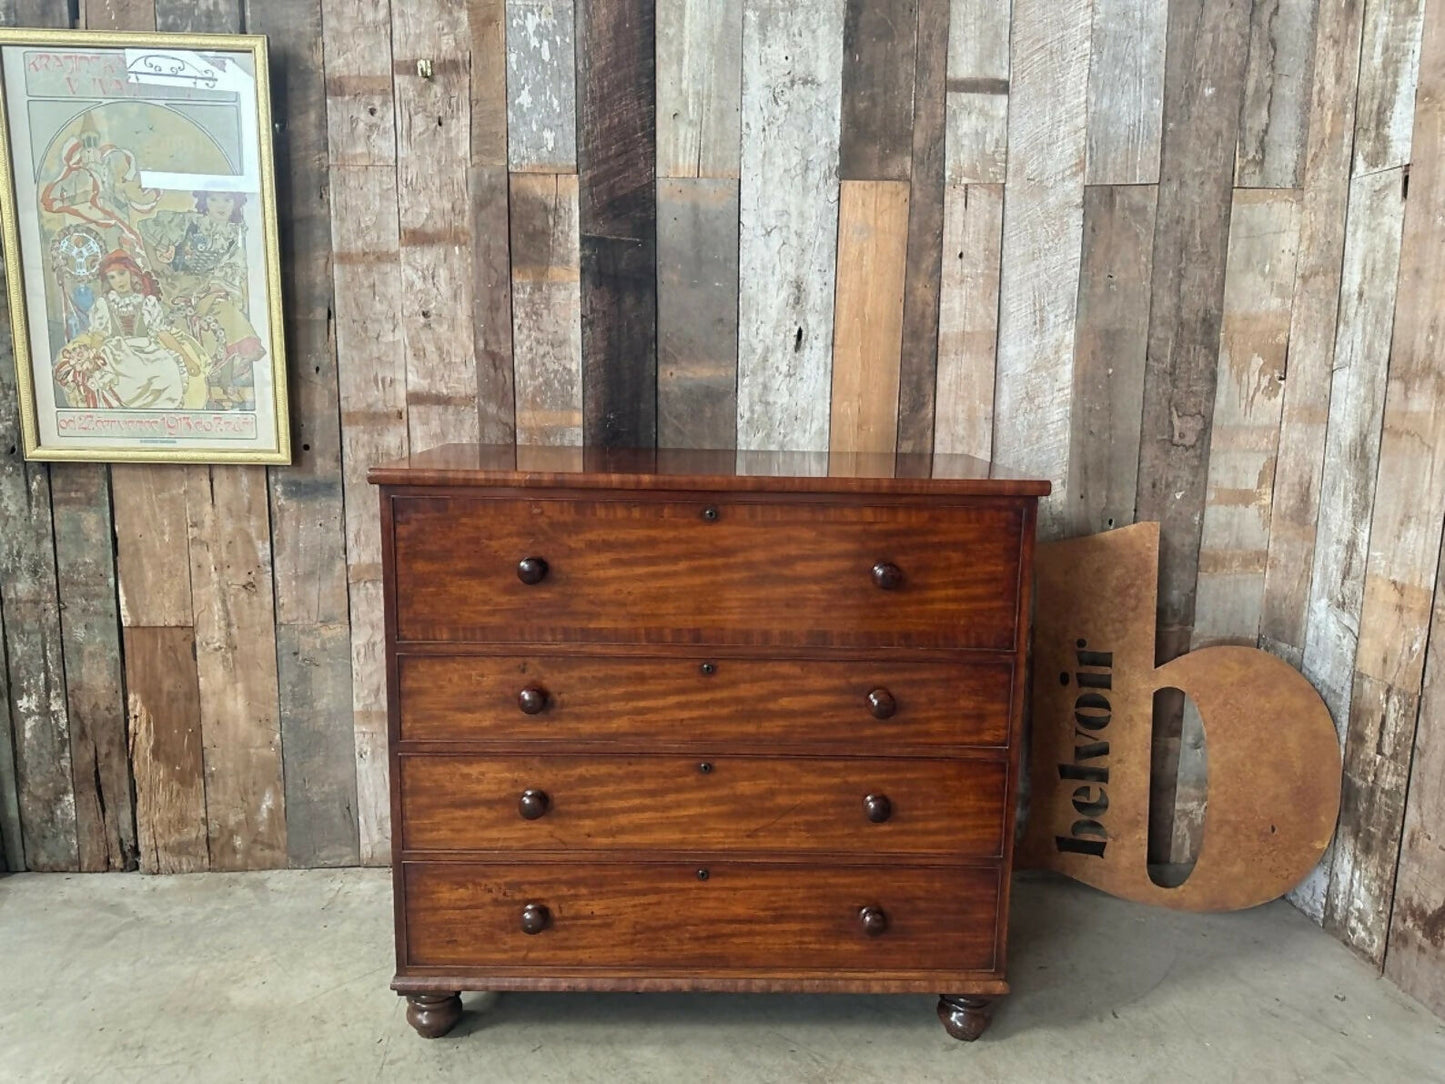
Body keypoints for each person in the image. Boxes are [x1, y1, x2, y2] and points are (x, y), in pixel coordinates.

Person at [54, 251, 208, 410]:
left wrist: (187, 359)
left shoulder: (147, 302)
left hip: (147, 352)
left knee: (167, 368)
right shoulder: (104, 304)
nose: (118, 280)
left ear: (131, 273)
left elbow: (162, 333)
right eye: (112, 277)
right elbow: (98, 336)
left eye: (122, 274)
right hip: (117, 353)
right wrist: (92, 360)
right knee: (116, 377)